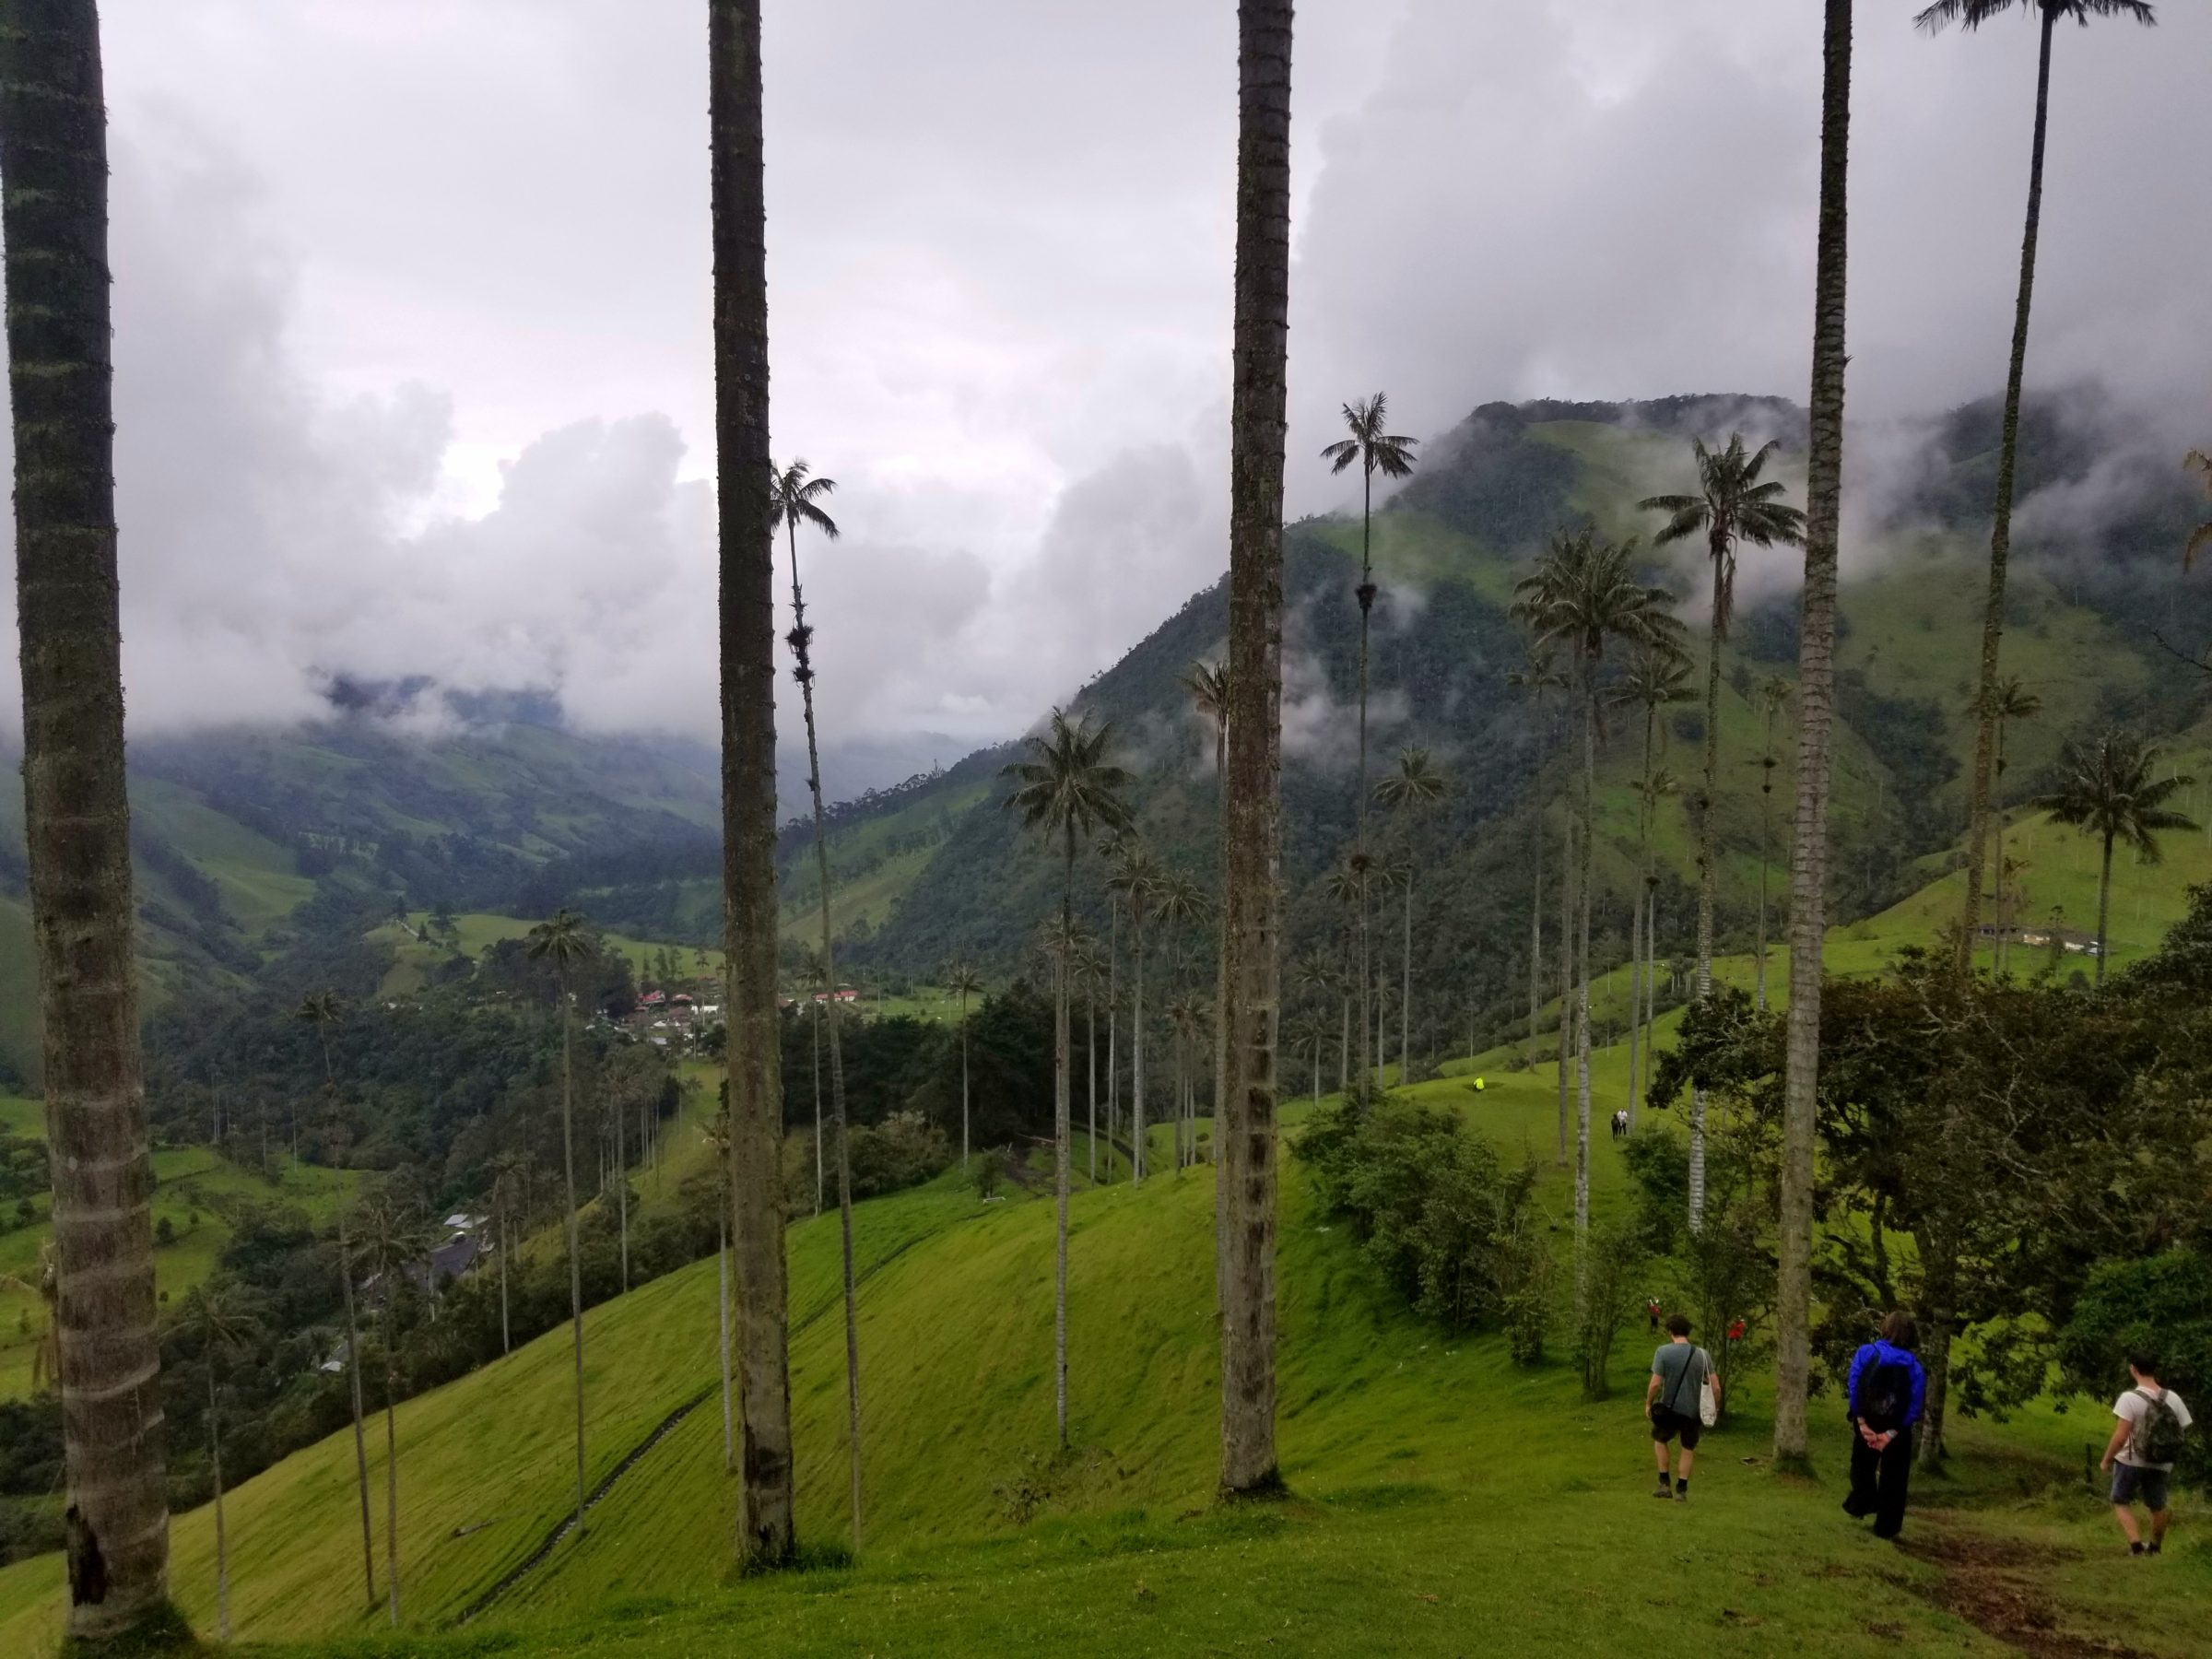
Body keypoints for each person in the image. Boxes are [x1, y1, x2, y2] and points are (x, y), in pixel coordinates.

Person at [1843, 1311, 1926, 1541]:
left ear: (1885, 1328)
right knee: (1895, 1477)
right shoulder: (1915, 1367)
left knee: (1861, 1466)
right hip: (1897, 1428)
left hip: (1868, 1421)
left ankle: (1863, 1502)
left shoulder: (1867, 1352)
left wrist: (1860, 1421)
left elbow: (1854, 1385)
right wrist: (1892, 1433)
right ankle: (1887, 1528)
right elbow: (1915, 1403)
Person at [2101, 1350, 2192, 1557]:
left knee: (2120, 1500)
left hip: (2131, 1459)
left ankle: (2135, 1546)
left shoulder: (2129, 1398)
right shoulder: (2173, 1398)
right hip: (2161, 1462)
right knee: (2157, 1505)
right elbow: (2182, 1428)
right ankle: (2155, 1548)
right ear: (2155, 1369)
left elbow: (2120, 1436)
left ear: (2133, 1369)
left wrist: (2107, 1460)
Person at [1646, 1313, 1716, 1501]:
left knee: (1660, 1440)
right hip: (1693, 1411)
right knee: (1687, 1447)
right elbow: (1715, 1386)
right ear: (1688, 1332)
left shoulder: (1663, 1352)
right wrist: (1713, 1407)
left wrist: (1648, 1403)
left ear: (1670, 1331)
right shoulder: (1703, 1355)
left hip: (1669, 1408)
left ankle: (1664, 1483)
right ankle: (1681, 1490)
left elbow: (1655, 1384)